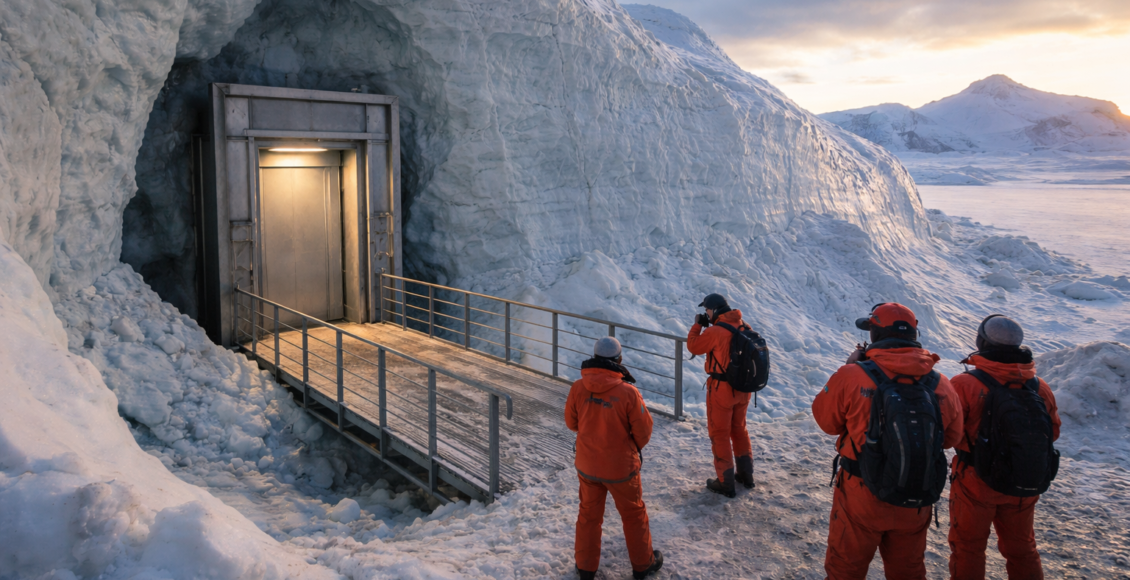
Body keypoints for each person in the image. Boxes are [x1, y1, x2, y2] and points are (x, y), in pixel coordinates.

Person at [813, 302, 963, 580]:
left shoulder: (852, 375)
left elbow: (827, 422)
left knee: (845, 569)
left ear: (875, 336)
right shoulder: (941, 383)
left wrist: (847, 369)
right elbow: (951, 438)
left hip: (861, 491)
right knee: (908, 571)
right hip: (915, 493)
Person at [948, 315, 1061, 580]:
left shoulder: (964, 384)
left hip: (975, 480)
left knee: (968, 548)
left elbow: (950, 434)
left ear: (981, 342)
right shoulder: (1039, 386)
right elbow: (1052, 432)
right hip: (1023, 479)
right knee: (1022, 549)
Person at [565, 337, 664, 580]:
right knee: (633, 515)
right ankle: (643, 566)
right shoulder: (628, 392)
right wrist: (628, 447)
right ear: (619, 360)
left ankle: (586, 568)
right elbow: (644, 431)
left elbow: (571, 423)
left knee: (588, 515)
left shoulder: (578, 387)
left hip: (587, 465)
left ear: (595, 358)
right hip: (621, 469)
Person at [687, 293, 755, 497]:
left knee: (720, 434)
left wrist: (697, 325)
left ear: (714, 310)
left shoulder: (715, 331)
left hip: (722, 390)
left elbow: (693, 346)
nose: (705, 314)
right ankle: (746, 475)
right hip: (743, 389)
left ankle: (726, 482)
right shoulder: (744, 326)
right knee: (739, 430)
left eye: (707, 310)